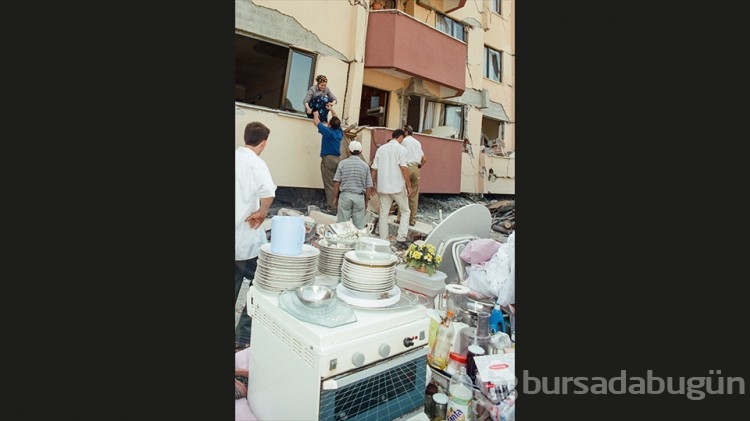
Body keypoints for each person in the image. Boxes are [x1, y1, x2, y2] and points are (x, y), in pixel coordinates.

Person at [235, 121, 277, 351]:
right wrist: (262, 213)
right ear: (263, 143)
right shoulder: (256, 164)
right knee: (259, 286)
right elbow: (268, 192)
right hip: (248, 240)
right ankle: (242, 336)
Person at [370, 128, 413, 244]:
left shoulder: (381, 149)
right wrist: (409, 186)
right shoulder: (401, 149)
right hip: (397, 186)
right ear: (400, 137)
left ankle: (383, 238)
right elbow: (404, 168)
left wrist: (372, 185)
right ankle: (401, 237)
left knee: (383, 212)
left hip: (383, 187)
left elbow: (374, 168)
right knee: (405, 211)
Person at [332, 140, 374, 229]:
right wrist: (366, 201)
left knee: (342, 225)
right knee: (359, 227)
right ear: (361, 152)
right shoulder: (365, 166)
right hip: (359, 197)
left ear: (348, 151)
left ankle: (343, 242)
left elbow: (336, 182)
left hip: (345, 196)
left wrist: (335, 198)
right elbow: (368, 187)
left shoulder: (342, 164)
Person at [313, 104, 343, 213]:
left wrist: (315, 113)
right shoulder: (339, 132)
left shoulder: (327, 131)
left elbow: (316, 122)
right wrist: (331, 109)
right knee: (336, 183)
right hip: (337, 160)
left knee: (329, 184)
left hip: (328, 159)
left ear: (329, 125)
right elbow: (336, 120)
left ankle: (332, 207)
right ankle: (337, 204)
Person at [396, 124, 427, 227]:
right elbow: (424, 159)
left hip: (407, 168)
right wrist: (419, 167)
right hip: (416, 168)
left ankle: (400, 219)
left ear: (405, 132)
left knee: (403, 193)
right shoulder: (417, 143)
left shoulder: (404, 141)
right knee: (414, 195)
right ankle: (412, 220)